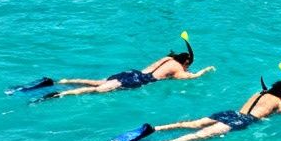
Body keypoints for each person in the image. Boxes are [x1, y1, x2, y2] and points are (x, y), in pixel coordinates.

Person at [113, 68, 281, 141]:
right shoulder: (278, 102)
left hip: (231, 113)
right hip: (243, 120)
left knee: (193, 124)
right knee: (200, 135)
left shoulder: (258, 93)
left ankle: (155, 128)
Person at [34, 34, 212, 100]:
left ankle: (60, 81)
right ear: (186, 62)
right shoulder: (178, 69)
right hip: (141, 80)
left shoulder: (166, 59)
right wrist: (205, 71)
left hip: (131, 72)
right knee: (99, 90)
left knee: (96, 82)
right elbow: (190, 77)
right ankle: (60, 94)